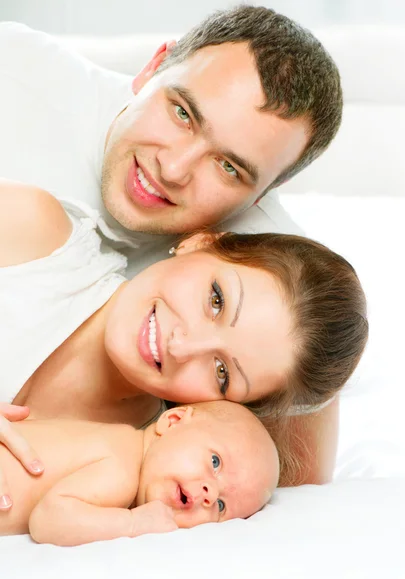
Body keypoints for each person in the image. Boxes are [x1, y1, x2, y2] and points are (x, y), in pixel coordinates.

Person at [0, 3, 346, 499]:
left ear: (264, 194)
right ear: (152, 68)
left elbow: (298, 485)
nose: (175, 168)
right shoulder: (16, 74)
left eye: (230, 168)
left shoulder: (265, 267)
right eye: (182, 113)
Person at [0, 181, 368, 509]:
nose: (182, 346)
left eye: (222, 372)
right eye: (216, 300)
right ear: (201, 242)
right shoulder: (33, 236)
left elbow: (310, 498)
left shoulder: (158, 472)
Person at [0, 400, 279, 546]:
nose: (210, 493)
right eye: (215, 462)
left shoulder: (117, 441)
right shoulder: (123, 466)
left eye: (221, 506)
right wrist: (132, 524)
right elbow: (48, 519)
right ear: (173, 421)